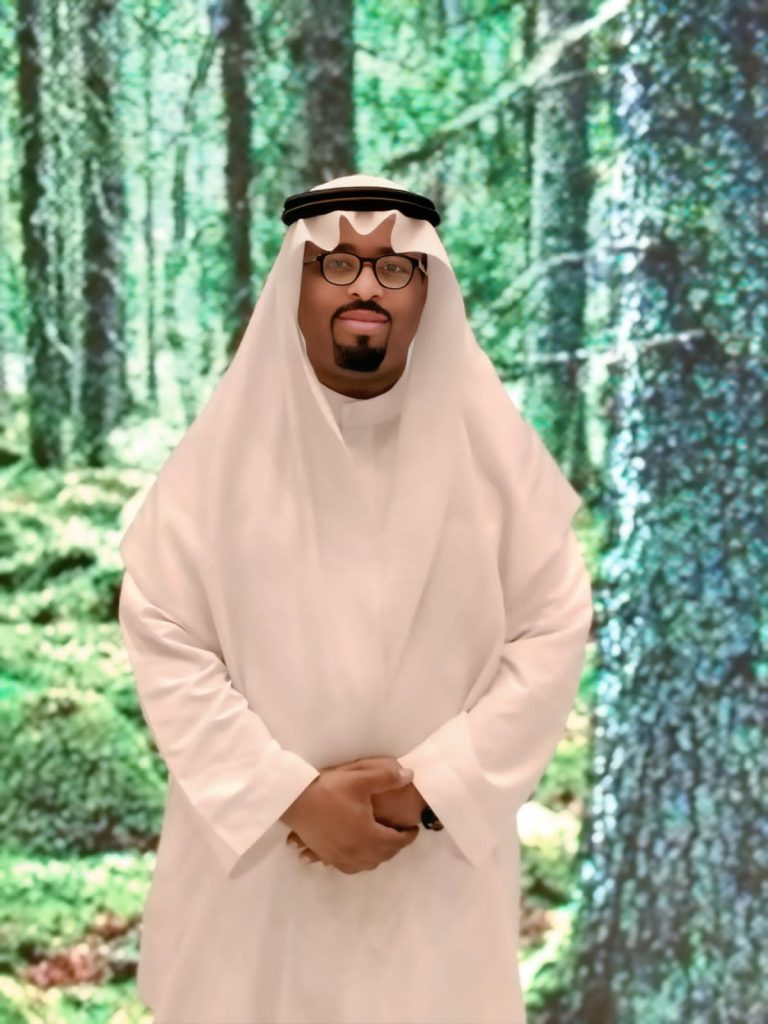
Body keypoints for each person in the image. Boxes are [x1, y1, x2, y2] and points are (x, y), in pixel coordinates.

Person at [117, 173, 593, 1024]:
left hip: (434, 875)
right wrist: (289, 796)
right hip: (256, 883)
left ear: (426, 292)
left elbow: (552, 630)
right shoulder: (220, 463)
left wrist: (430, 789)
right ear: (296, 285)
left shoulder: (497, 465)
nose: (366, 285)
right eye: (336, 263)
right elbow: (163, 624)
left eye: (394, 267)